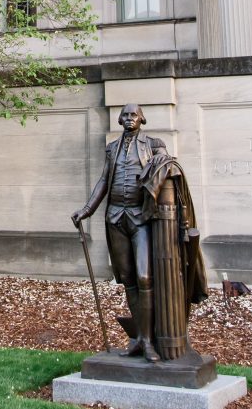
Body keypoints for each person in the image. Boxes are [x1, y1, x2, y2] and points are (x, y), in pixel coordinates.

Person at [72, 103, 207, 364]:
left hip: (140, 218)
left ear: (142, 118)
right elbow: (104, 180)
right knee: (129, 279)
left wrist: (162, 158)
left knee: (146, 277)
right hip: (115, 217)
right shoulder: (111, 148)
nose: (128, 119)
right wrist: (87, 210)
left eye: (133, 115)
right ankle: (139, 339)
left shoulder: (153, 143)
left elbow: (168, 163)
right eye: (125, 115)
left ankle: (148, 341)